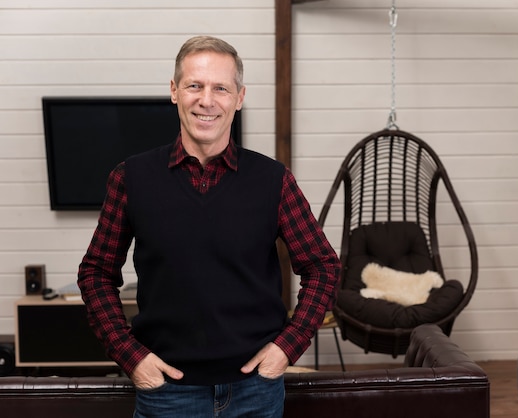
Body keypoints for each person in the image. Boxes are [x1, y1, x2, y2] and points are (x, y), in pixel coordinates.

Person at [77, 35, 340, 418]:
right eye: (194, 86)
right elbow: (95, 273)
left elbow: (324, 267)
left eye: (221, 88)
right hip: (166, 394)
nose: (207, 100)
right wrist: (130, 356)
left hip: (256, 393)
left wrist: (288, 347)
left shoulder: (273, 180)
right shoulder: (130, 178)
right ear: (174, 91)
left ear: (239, 96)